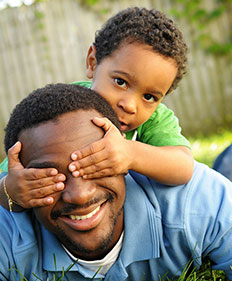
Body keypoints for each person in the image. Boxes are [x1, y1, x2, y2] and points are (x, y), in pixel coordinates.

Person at [1, 83, 232, 281]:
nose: (80, 195)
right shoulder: (8, 232)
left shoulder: (195, 203)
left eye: (96, 165)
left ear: (123, 156)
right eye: (48, 177)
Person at [0, 7, 194, 209]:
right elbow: (7, 180)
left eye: (149, 96)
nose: (129, 105)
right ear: (93, 62)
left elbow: (184, 166)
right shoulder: (64, 108)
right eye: (120, 82)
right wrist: (11, 191)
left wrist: (131, 154)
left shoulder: (154, 120)